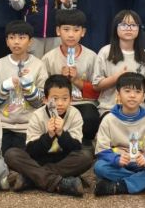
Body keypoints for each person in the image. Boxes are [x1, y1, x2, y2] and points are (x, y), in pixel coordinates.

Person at [3, 75, 93, 196]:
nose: (60, 103)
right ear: (45, 99)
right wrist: (48, 136)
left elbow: (76, 147)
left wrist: (61, 134)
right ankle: (59, 182)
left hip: (63, 161)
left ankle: (31, 178)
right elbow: (31, 151)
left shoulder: (74, 114)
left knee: (86, 156)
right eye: (54, 99)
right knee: (11, 154)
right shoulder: (37, 116)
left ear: (71, 99)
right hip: (39, 160)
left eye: (65, 99)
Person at [93, 72, 145, 196]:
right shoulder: (109, 119)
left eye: (137, 91)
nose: (132, 95)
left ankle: (122, 186)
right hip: (120, 165)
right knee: (100, 167)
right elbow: (102, 150)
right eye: (127, 91)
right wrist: (116, 159)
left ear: (143, 96)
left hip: (142, 165)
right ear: (118, 94)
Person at [0, 20, 50, 152]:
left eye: (21, 38)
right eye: (12, 37)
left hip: (29, 126)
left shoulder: (39, 65)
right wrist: (5, 86)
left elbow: (41, 103)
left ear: (30, 41)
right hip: (2, 125)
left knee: (22, 155)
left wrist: (28, 85)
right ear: (7, 41)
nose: (16, 42)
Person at [41, 9, 101, 143]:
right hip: (56, 103)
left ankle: (85, 145)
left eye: (76, 30)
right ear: (58, 31)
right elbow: (43, 90)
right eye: (66, 29)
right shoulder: (48, 58)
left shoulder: (92, 57)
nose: (71, 35)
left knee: (90, 116)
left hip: (83, 102)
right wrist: (60, 80)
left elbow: (97, 90)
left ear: (83, 32)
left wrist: (77, 81)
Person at [94, 10, 145, 116]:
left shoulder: (144, 54)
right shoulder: (105, 52)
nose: (129, 28)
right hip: (110, 108)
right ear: (115, 28)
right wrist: (116, 78)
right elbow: (96, 85)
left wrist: (134, 83)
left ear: (139, 29)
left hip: (137, 108)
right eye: (124, 25)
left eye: (133, 25)